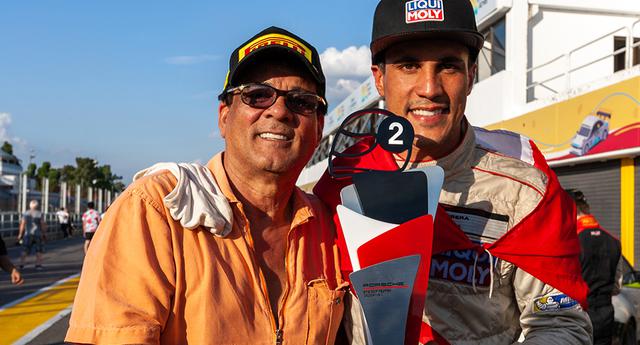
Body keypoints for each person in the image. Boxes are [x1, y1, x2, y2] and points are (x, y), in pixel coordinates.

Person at [313, 0, 592, 343]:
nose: (429, 88)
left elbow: (559, 324)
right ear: (379, 79)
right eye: (409, 66)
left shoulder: (525, 191)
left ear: (471, 76)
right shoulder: (341, 180)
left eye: (448, 66)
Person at [66, 26, 346, 344]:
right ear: (224, 116)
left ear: (320, 126)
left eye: (301, 101)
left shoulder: (329, 226)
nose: (279, 111)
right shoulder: (158, 209)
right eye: (257, 96)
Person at [570, 190, 622, 345]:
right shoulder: (613, 240)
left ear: (572, 210)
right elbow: (617, 287)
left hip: (578, 315)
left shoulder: (570, 240)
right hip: (605, 315)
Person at [17, 200, 47, 270]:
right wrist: (44, 233)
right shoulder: (39, 213)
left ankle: (21, 264)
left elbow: (22, 224)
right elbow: (42, 224)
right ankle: (38, 265)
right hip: (38, 234)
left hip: (28, 234)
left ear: (30, 206)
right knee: (39, 250)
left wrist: (20, 234)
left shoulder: (26, 213)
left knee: (25, 249)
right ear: (37, 206)